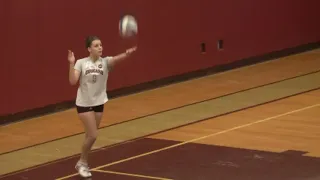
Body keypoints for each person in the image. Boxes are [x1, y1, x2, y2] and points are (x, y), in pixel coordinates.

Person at [68, 35, 137, 178]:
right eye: (96, 45)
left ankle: (83, 162)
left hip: (99, 103)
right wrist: (71, 63)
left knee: (90, 135)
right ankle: (81, 162)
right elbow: (73, 81)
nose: (100, 47)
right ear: (89, 49)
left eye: (101, 45)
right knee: (93, 135)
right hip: (84, 104)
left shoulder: (105, 62)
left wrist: (126, 54)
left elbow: (116, 59)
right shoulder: (81, 63)